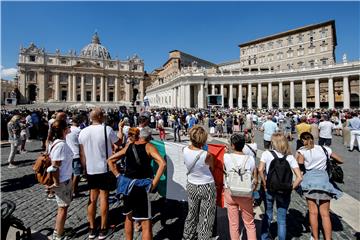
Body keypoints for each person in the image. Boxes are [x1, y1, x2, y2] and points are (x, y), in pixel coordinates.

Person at [107, 127, 166, 240]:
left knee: (128, 218)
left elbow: (110, 160)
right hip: (141, 187)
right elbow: (162, 164)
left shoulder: (129, 145)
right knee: (146, 222)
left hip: (127, 186)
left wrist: (119, 176)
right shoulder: (149, 146)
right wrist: (154, 183)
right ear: (149, 138)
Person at [78, 108, 121, 239]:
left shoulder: (83, 132)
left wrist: (84, 169)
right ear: (101, 116)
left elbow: (82, 154)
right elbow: (119, 143)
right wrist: (120, 129)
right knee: (104, 199)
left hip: (90, 169)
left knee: (91, 198)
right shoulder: (106, 129)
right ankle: (103, 229)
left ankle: (91, 228)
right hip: (104, 169)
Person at [296, 132, 343, 240]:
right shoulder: (324, 149)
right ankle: (328, 238)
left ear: (303, 140)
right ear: (313, 139)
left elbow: (300, 165)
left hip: (310, 182)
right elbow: (341, 160)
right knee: (325, 214)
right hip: (324, 181)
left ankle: (315, 237)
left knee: (313, 212)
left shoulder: (302, 151)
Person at [258, 132, 302, 240]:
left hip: (270, 188)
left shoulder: (267, 154)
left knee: (268, 214)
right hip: (284, 190)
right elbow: (300, 177)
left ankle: (264, 237)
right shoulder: (290, 157)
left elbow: (260, 170)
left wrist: (264, 183)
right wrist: (291, 188)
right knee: (282, 219)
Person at [182, 125, 216, 240]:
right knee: (206, 215)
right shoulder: (207, 155)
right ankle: (204, 237)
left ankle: (188, 235)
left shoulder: (184, 150)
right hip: (206, 185)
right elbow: (212, 169)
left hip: (191, 184)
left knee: (191, 212)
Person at [223, 134, 257, 239]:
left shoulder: (226, 157)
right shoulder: (251, 159)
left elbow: (224, 170)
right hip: (246, 192)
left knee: (233, 224)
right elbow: (255, 178)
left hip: (231, 192)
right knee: (249, 224)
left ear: (232, 145)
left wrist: (226, 151)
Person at [47, 120, 73, 240]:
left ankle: (59, 229)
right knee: (62, 208)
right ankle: (58, 235)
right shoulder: (61, 145)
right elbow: (55, 166)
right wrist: (56, 183)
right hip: (62, 180)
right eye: (67, 126)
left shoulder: (58, 142)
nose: (69, 127)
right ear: (63, 130)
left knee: (62, 207)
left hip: (64, 178)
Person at [65, 114, 82, 198]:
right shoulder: (79, 131)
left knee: (70, 173)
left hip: (68, 154)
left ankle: (69, 189)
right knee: (76, 174)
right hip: (76, 154)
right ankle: (74, 191)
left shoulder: (67, 130)